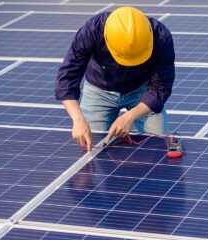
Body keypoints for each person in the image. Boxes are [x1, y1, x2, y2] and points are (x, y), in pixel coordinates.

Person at [55, 6, 175, 152]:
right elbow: (68, 75)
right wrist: (78, 119)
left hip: (141, 92)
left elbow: (160, 87)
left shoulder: (161, 37)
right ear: (106, 38)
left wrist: (129, 117)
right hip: (98, 90)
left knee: (159, 145)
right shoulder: (93, 30)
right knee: (91, 148)